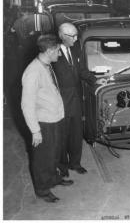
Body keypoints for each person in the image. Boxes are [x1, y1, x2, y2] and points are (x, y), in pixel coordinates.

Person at [21, 34, 74, 203]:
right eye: (58, 51)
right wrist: (35, 131)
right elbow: (26, 105)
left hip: (55, 118)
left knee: (54, 153)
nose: (59, 54)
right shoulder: (33, 72)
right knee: (43, 157)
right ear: (50, 50)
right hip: (43, 123)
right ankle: (42, 189)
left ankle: (53, 178)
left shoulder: (47, 65)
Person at [52, 23, 96, 177]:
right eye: (73, 36)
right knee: (62, 135)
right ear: (62, 36)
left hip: (76, 99)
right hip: (61, 102)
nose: (76, 39)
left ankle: (75, 163)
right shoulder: (52, 52)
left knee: (77, 133)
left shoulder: (77, 48)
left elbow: (82, 70)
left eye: (77, 35)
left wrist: (95, 80)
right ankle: (62, 167)